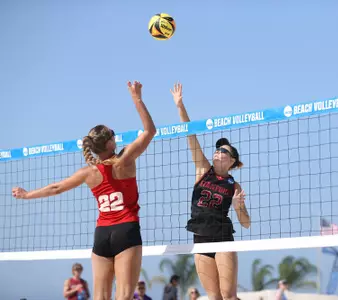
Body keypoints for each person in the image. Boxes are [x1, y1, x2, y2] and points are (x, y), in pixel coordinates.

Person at [12, 81, 157, 300]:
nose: (115, 136)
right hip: (126, 230)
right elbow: (150, 130)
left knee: (99, 297)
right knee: (124, 297)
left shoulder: (88, 172)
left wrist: (26, 195)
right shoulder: (124, 159)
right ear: (109, 144)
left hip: (102, 234)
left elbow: (56, 188)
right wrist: (137, 98)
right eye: (112, 134)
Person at [170, 82, 251, 300]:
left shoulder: (234, 186)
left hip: (223, 237)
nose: (217, 151)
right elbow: (191, 136)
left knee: (229, 296)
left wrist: (237, 206)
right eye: (217, 149)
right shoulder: (202, 170)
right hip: (200, 238)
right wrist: (180, 106)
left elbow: (246, 223)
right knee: (213, 297)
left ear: (232, 160)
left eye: (223, 150)